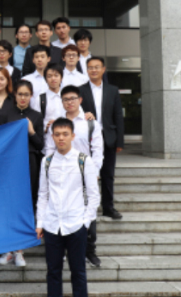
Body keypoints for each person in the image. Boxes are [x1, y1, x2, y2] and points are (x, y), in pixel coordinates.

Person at [36, 118, 100, 297]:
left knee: (78, 272)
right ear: (52, 137)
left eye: (65, 134)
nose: (61, 138)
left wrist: (85, 222)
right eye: (57, 134)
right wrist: (40, 222)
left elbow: (94, 195)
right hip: (52, 225)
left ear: (73, 136)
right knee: (53, 272)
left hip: (76, 225)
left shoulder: (83, 160)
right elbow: (43, 194)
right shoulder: (47, 162)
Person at [44, 85, 104, 267]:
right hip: (62, 174)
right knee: (61, 209)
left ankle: (90, 251)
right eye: (66, 99)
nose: (69, 102)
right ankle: (63, 250)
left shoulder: (90, 123)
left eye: (73, 98)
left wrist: (94, 173)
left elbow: (97, 151)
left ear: (80, 100)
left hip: (84, 175)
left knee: (88, 211)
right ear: (61, 102)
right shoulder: (57, 124)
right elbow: (50, 149)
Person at [0, 80, 44, 267]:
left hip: (29, 162)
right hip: (9, 163)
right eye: (20, 94)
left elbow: (40, 144)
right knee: (8, 204)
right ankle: (8, 249)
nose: (23, 98)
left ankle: (20, 251)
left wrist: (31, 131)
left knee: (26, 204)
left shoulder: (36, 116)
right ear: (14, 95)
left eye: (26, 94)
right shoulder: (6, 114)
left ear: (31, 96)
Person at [79, 57, 125, 220]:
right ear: (87, 70)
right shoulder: (80, 90)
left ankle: (108, 207)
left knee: (108, 174)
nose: (94, 70)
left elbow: (118, 116)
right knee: (85, 174)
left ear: (103, 69)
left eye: (97, 67)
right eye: (90, 67)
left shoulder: (112, 90)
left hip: (108, 138)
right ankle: (84, 206)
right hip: (87, 139)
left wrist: (120, 140)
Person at [22, 45, 50, 114]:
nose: (39, 59)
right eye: (36, 57)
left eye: (42, 57)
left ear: (48, 59)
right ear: (33, 60)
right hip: (31, 115)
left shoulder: (55, 79)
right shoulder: (26, 80)